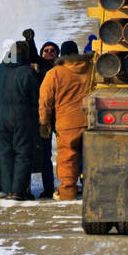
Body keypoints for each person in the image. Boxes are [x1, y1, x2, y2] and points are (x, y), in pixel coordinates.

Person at [39, 40, 94, 201]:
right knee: (92, 157)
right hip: (91, 121)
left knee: (67, 159)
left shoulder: (55, 73)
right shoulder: (92, 68)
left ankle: (68, 194)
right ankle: (93, 192)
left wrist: (44, 123)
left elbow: (45, 101)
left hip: (67, 124)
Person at [0, 39, 40, 200]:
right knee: (22, 153)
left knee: (4, 153)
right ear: (25, 55)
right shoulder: (27, 72)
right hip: (20, 115)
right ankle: (18, 191)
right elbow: (35, 98)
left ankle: (8, 190)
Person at [33, 40, 60, 198]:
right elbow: (32, 55)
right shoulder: (40, 66)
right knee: (45, 154)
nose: (49, 52)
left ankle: (69, 184)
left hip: (60, 116)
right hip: (45, 116)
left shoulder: (61, 70)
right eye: (46, 50)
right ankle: (48, 187)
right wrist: (31, 40)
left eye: (52, 50)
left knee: (67, 153)